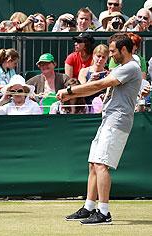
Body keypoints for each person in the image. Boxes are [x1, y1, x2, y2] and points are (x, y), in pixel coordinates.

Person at [58, 33, 142, 225]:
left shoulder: (130, 67)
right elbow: (95, 88)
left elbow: (101, 84)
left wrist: (70, 91)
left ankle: (104, 212)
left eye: (112, 51)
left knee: (101, 164)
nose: (110, 55)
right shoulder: (121, 67)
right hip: (108, 119)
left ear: (123, 49)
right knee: (94, 163)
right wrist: (70, 95)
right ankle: (89, 207)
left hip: (117, 120)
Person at [78, 44, 109, 112]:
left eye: (103, 57)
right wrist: (90, 81)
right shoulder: (84, 71)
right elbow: (80, 90)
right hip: (86, 107)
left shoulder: (108, 74)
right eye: (98, 56)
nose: (100, 59)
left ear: (107, 59)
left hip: (102, 108)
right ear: (93, 55)